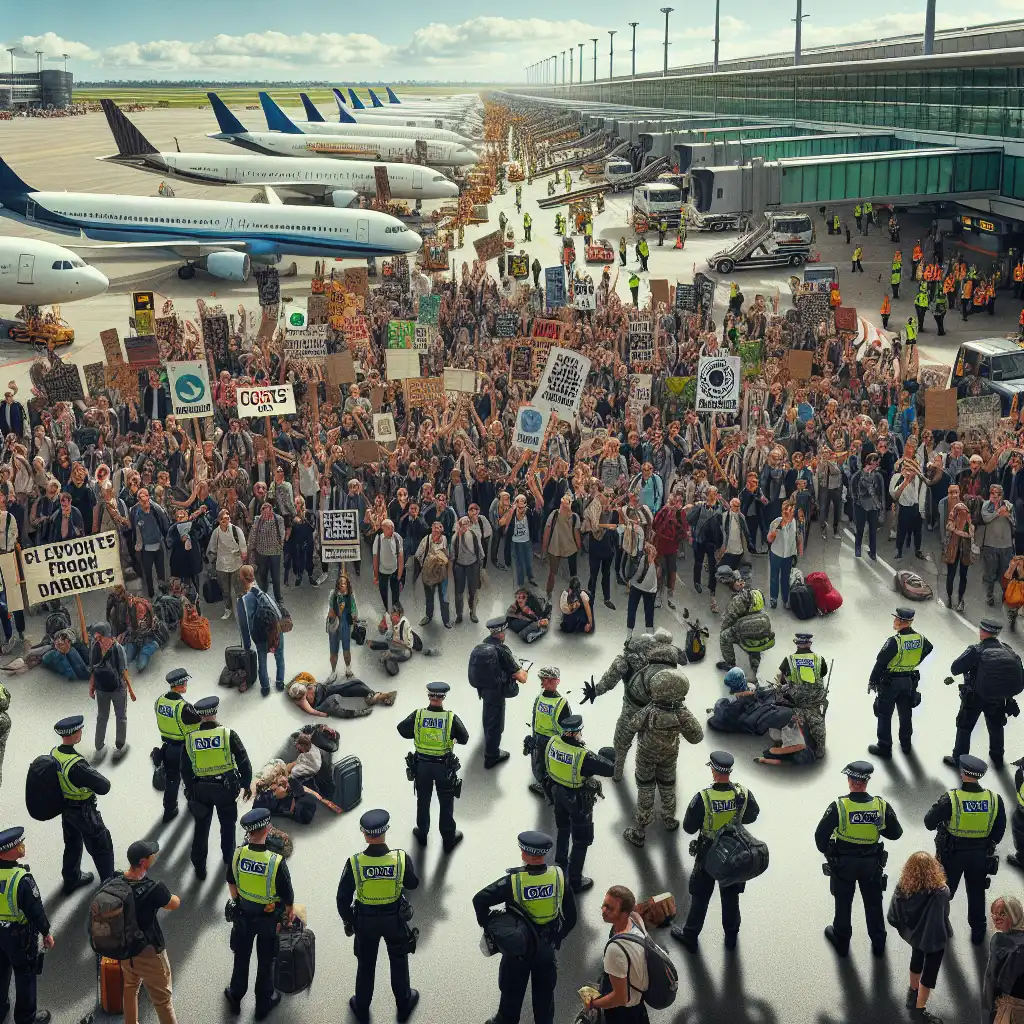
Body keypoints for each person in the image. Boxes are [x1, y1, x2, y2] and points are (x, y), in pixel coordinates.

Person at [473, 831, 577, 1024]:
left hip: (517, 950)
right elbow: (571, 917)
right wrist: (557, 937)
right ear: (544, 854)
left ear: (525, 854)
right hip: (546, 949)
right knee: (544, 997)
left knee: (511, 992)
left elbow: (480, 899)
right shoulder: (559, 877)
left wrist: (489, 924)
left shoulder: (514, 881)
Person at [336, 809, 420, 1024]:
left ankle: (361, 1005)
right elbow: (413, 884)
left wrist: (351, 920)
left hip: (366, 921)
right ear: (386, 831)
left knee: (366, 965)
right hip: (395, 920)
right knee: (399, 961)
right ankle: (404, 1003)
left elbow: (342, 898)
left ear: (364, 833)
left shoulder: (354, 862)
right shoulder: (400, 858)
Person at [671, 751, 760, 951]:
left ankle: (690, 935)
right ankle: (731, 937)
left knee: (701, 896)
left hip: (709, 853)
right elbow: (753, 815)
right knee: (730, 897)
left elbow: (688, 827)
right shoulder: (743, 793)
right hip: (735, 852)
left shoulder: (704, 797)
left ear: (713, 770)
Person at [815, 760, 904, 957]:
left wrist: (829, 852)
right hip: (872, 863)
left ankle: (842, 940)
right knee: (873, 902)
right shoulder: (881, 805)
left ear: (850, 781)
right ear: (867, 781)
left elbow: (820, 838)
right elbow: (896, 833)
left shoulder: (839, 806)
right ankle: (879, 942)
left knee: (843, 902)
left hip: (844, 863)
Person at [925, 754, 1006, 943]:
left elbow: (929, 822)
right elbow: (999, 830)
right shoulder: (994, 799)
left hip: (952, 855)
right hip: (980, 855)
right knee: (977, 892)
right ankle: (978, 933)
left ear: (962, 773)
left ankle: (939, 927)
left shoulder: (951, 799)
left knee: (944, 892)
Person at [224, 808, 293, 1020]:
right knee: (266, 961)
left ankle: (235, 995)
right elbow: (288, 897)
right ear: (268, 828)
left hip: (243, 915)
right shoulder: (275, 862)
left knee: (241, 956)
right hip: (268, 920)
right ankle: (263, 1003)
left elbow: (231, 882)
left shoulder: (238, 853)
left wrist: (239, 903)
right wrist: (286, 915)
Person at [623, 667, 703, 848]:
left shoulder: (649, 710)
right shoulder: (682, 713)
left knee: (645, 787)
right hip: (669, 755)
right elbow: (696, 737)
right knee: (668, 785)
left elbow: (631, 726)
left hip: (645, 756)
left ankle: (640, 831)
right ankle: (669, 818)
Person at [180, 695, 252, 881]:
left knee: (201, 828)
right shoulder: (228, 734)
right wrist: (246, 783)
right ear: (215, 712)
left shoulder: (190, 739)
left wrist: (190, 792)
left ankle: (199, 867)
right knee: (227, 826)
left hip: (201, 790)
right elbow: (244, 761)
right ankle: (229, 859)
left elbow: (185, 770)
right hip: (225, 789)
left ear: (200, 716)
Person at [544, 714, 615, 893]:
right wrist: (610, 756)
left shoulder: (552, 742)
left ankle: (560, 864)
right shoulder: (584, 756)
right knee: (581, 840)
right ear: (576, 733)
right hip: (577, 800)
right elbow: (609, 769)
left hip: (557, 793)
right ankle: (575, 880)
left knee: (562, 829)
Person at [396, 682, 468, 852]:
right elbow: (464, 738)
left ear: (429, 696)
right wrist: (453, 740)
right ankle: (449, 837)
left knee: (423, 800)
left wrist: (418, 732)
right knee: (446, 802)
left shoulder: (418, 715)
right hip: (443, 767)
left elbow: (401, 729)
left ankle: (422, 833)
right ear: (443, 697)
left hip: (422, 766)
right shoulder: (450, 718)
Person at [943, 619, 1024, 770]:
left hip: (975, 697)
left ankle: (959, 759)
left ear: (982, 632)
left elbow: (955, 668)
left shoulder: (976, 650)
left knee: (965, 728)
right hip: (998, 698)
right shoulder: (1007, 649)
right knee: (996, 727)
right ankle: (997, 758)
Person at [50, 714, 114, 893]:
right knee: (101, 844)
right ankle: (110, 884)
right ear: (75, 733)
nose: (81, 732)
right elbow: (103, 786)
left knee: (72, 843)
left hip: (66, 808)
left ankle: (71, 878)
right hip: (84, 810)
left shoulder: (55, 752)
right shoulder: (76, 765)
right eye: (80, 730)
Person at [120, 838, 181, 1024]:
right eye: (151, 855)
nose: (154, 855)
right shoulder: (154, 889)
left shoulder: (117, 880)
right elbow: (174, 904)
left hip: (124, 949)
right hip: (149, 952)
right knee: (163, 1000)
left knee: (130, 986)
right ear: (143, 862)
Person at [886, 851, 951, 1024]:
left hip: (916, 936)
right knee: (929, 972)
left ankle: (912, 991)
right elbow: (943, 914)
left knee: (916, 958)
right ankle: (920, 1010)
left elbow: (894, 913)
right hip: (933, 938)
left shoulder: (903, 887)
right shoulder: (941, 891)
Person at [0, 826, 53, 1024]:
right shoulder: (21, 879)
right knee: (25, 975)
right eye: (18, 845)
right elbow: (35, 910)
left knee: (1, 970)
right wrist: (46, 932)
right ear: (7, 852)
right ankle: (26, 1018)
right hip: (18, 937)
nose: (22, 846)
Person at [868, 608, 933, 758]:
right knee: (905, 714)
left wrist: (872, 680)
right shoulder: (920, 639)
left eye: (895, 619)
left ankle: (884, 747)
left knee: (884, 715)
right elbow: (929, 648)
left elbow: (881, 663)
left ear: (901, 622)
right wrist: (915, 661)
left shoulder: (894, 641)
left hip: (891, 682)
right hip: (909, 680)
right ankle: (906, 744)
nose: (894, 622)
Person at [469, 617, 527, 769]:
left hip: (484, 690)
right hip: (497, 692)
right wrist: (522, 670)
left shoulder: (482, 645)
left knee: (488, 717)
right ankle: (491, 756)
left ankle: (487, 742)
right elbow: (522, 678)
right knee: (496, 724)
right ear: (501, 632)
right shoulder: (502, 649)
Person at [154, 668, 196, 823]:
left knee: (172, 779)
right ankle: (193, 804)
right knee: (190, 777)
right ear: (181, 684)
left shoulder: (159, 701)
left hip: (167, 747)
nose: (186, 684)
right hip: (183, 748)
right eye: (185, 682)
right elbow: (196, 724)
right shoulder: (183, 707)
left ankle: (169, 809)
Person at [238, 564, 285, 698]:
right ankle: (280, 682)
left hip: (260, 635)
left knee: (262, 661)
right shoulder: (263, 591)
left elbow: (244, 625)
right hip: (275, 630)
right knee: (280, 657)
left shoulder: (243, 601)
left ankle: (265, 688)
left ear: (242, 578)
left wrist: (247, 646)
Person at [715, 567, 773, 675]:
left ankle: (730, 664)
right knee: (752, 636)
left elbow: (727, 621)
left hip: (748, 629)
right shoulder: (757, 592)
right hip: (762, 628)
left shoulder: (737, 600)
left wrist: (726, 626)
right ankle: (756, 665)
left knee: (724, 636)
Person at [89, 621, 133, 762]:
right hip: (102, 689)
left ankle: (120, 745)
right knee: (102, 717)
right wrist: (92, 686)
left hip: (117, 688)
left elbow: (124, 670)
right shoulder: (95, 647)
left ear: (109, 636)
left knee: (120, 717)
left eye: (101, 637)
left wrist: (131, 690)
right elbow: (93, 670)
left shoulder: (117, 648)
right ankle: (99, 747)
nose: (100, 641)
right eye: (97, 638)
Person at [526, 667, 572, 796]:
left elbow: (568, 726)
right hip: (540, 738)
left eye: (546, 679)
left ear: (556, 681)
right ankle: (544, 785)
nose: (543, 682)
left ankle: (548, 789)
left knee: (550, 765)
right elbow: (535, 718)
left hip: (554, 741)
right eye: (542, 679)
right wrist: (533, 736)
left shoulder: (561, 703)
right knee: (540, 763)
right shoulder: (539, 698)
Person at [982, 895, 1024, 1024]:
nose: (996, 917)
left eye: (1003, 913)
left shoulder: (999, 940)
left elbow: (992, 980)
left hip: (1009, 1005)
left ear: (1014, 915)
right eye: (994, 913)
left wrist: (989, 1012)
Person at [206, 508, 246, 620]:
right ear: (219, 521)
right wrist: (211, 559)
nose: (225, 521)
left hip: (236, 563)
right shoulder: (216, 532)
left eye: (227, 518)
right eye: (223, 519)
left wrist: (243, 555)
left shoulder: (236, 530)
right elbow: (212, 547)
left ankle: (242, 609)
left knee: (239, 588)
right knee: (225, 589)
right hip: (222, 564)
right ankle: (228, 609)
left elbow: (242, 544)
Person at [766, 498, 802, 609]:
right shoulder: (776, 522)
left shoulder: (796, 522)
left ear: (793, 511)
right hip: (776, 553)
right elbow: (769, 539)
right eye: (784, 510)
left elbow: (798, 536)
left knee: (786, 577)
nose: (786, 512)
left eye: (788, 510)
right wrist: (778, 528)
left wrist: (799, 550)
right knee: (774, 577)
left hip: (789, 555)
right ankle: (773, 598)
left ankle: (785, 599)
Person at [852, 452, 885, 560]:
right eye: (876, 463)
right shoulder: (858, 474)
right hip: (860, 506)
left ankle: (873, 552)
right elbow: (852, 486)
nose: (877, 465)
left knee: (873, 531)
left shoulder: (878, 476)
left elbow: (881, 493)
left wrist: (881, 508)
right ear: (871, 462)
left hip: (874, 507)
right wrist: (856, 499)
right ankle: (857, 548)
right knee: (860, 528)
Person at [327, 571, 359, 680]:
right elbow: (331, 611)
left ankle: (348, 669)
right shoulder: (333, 595)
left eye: (344, 582)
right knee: (333, 651)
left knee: (346, 649)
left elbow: (354, 610)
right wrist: (337, 611)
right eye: (340, 582)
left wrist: (355, 617)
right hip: (334, 626)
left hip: (345, 624)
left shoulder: (350, 596)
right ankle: (333, 671)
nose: (342, 584)